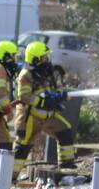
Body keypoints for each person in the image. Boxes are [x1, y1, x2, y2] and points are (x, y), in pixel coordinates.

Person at [12, 41, 76, 177]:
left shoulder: (45, 72)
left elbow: (51, 90)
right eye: (44, 58)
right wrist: (43, 101)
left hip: (48, 115)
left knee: (65, 131)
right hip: (30, 118)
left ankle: (66, 166)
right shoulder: (26, 74)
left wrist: (59, 96)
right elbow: (24, 96)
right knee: (23, 146)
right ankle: (10, 177)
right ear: (36, 59)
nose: (47, 61)